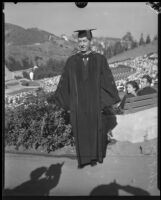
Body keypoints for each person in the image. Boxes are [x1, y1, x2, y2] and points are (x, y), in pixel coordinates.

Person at [54, 29, 120, 168]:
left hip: (94, 102)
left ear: (91, 42)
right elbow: (65, 82)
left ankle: (95, 158)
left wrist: (103, 101)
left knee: (95, 130)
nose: (82, 44)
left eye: (85, 41)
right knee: (81, 131)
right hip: (77, 104)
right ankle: (83, 160)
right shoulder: (71, 61)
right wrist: (64, 101)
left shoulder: (100, 59)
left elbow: (107, 81)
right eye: (79, 41)